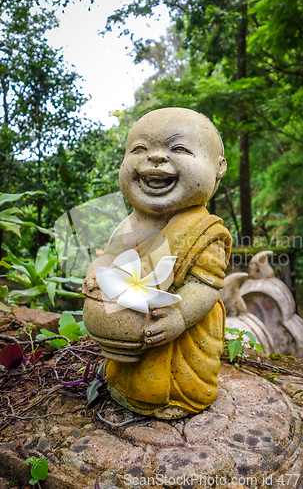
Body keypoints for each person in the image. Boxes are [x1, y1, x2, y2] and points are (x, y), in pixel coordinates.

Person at [83, 108, 231, 419]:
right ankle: (123, 387)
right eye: (140, 149)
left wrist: (179, 317)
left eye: (178, 149)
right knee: (127, 372)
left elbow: (205, 287)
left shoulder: (206, 231)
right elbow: (110, 257)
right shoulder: (131, 222)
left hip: (182, 333)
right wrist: (96, 272)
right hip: (127, 332)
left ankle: (175, 399)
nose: (156, 159)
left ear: (218, 168)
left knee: (176, 375)